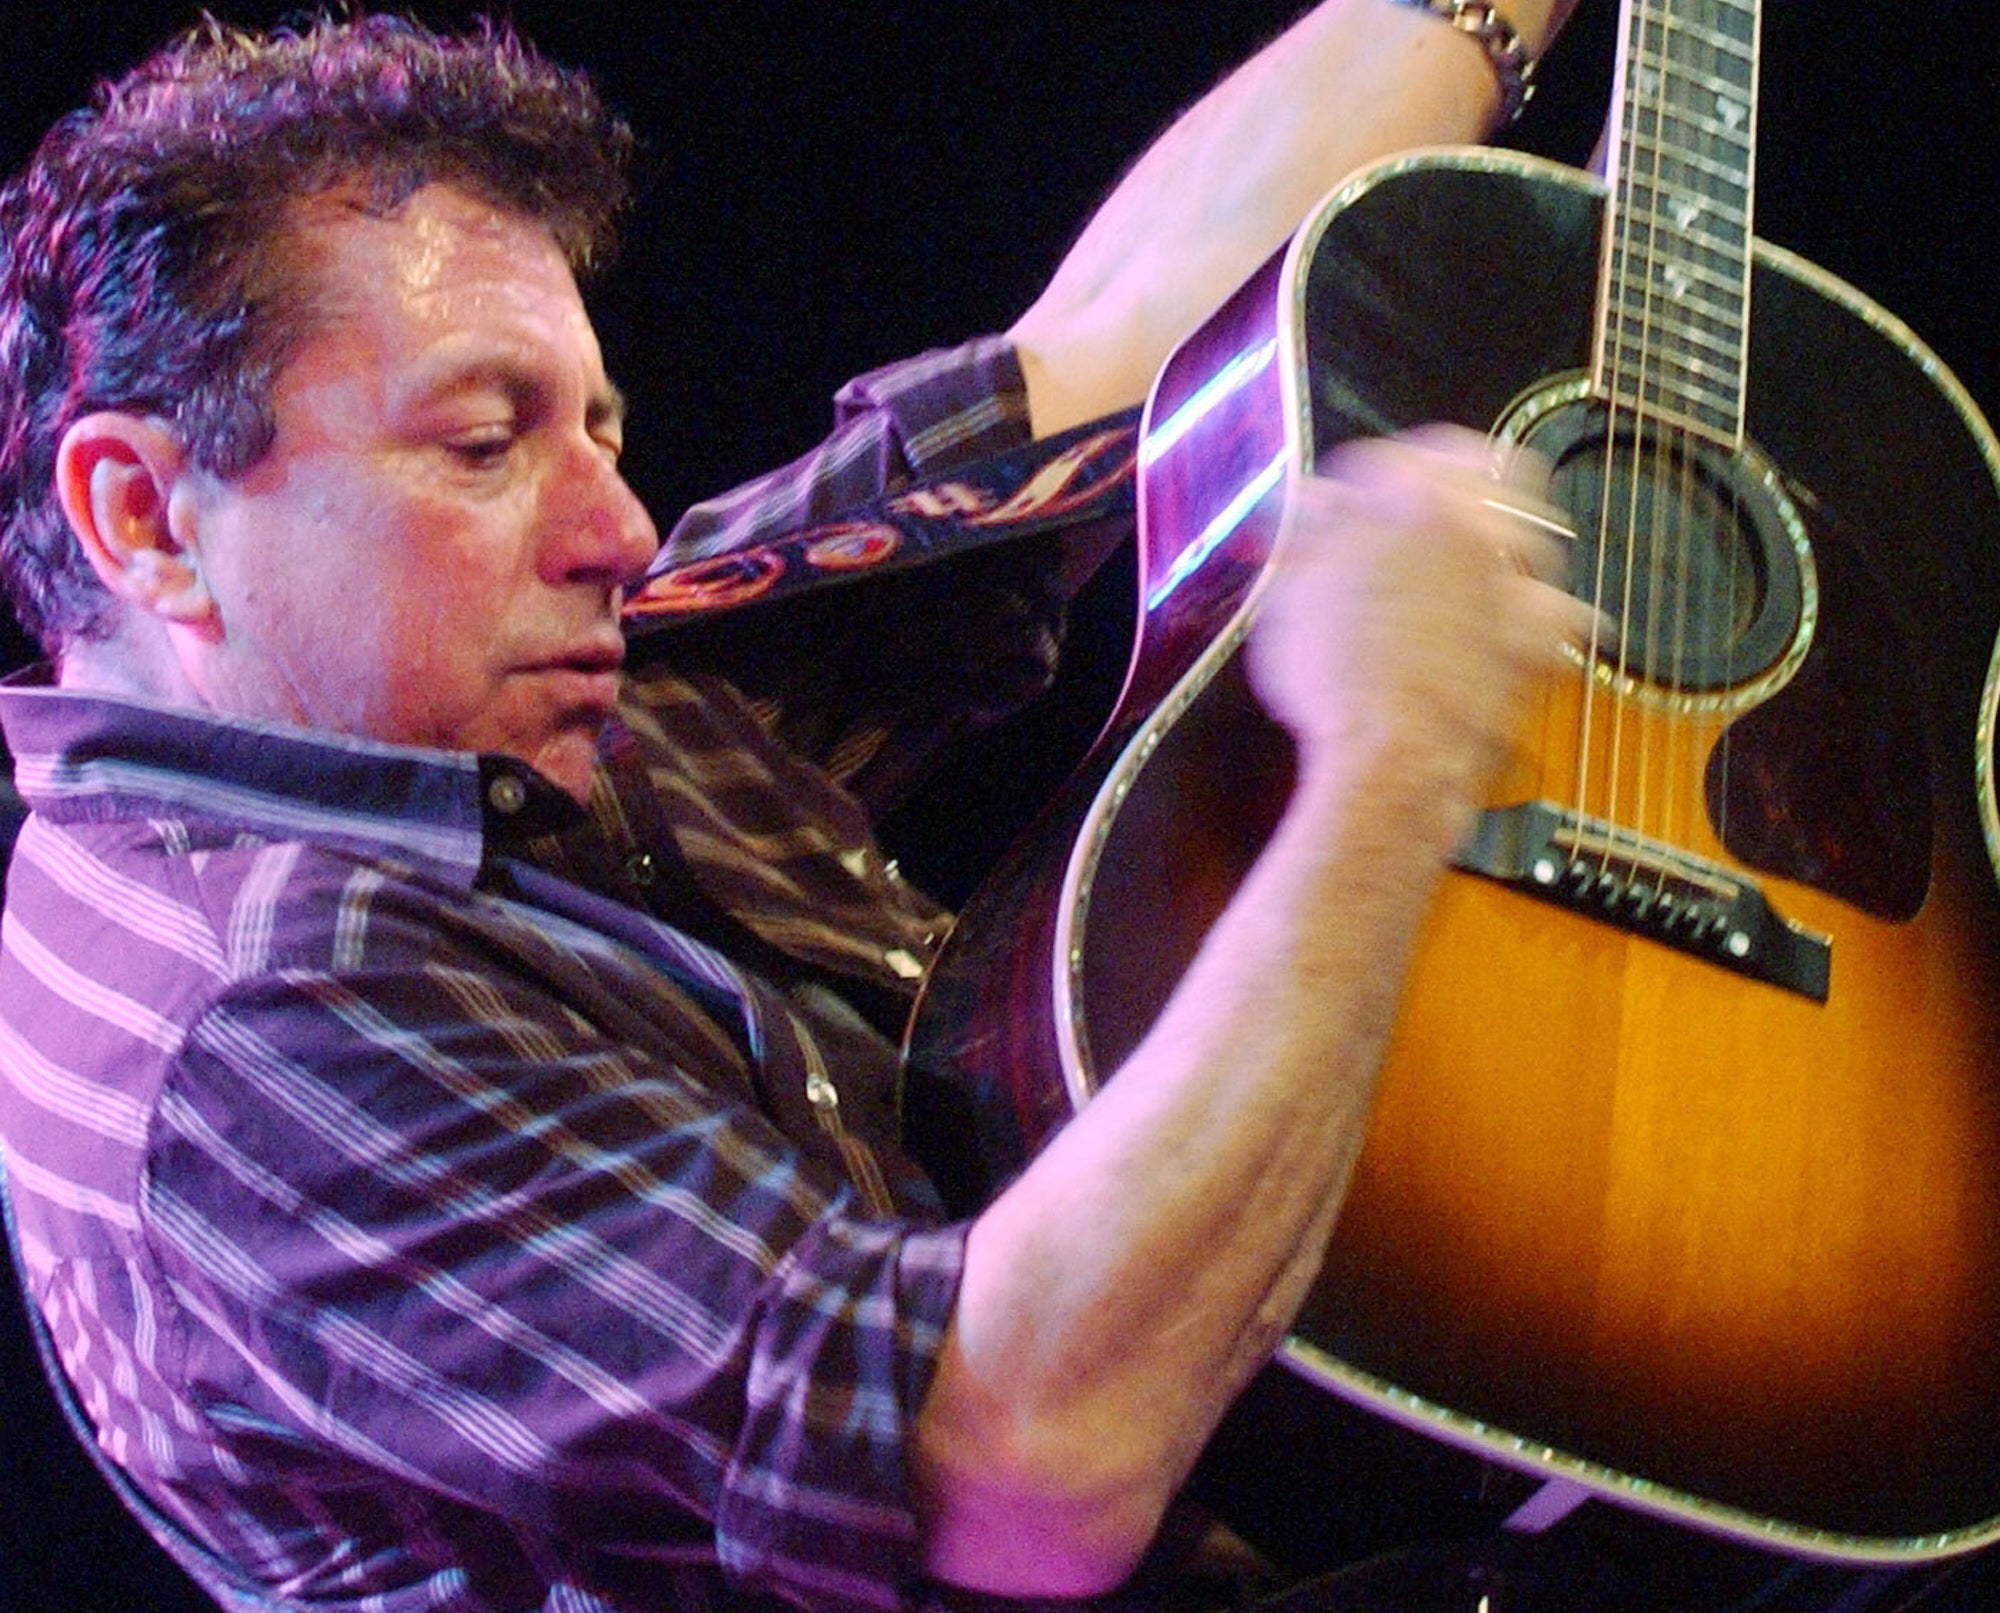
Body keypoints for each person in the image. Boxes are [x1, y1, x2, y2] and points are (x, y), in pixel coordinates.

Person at [0, 5, 1591, 1611]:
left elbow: (1109, 350)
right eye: (485, 442)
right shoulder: (255, 1020)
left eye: (597, 426)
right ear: (145, 517)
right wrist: (1388, 766)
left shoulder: (487, 691)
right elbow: (1023, 1456)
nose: (621, 530)